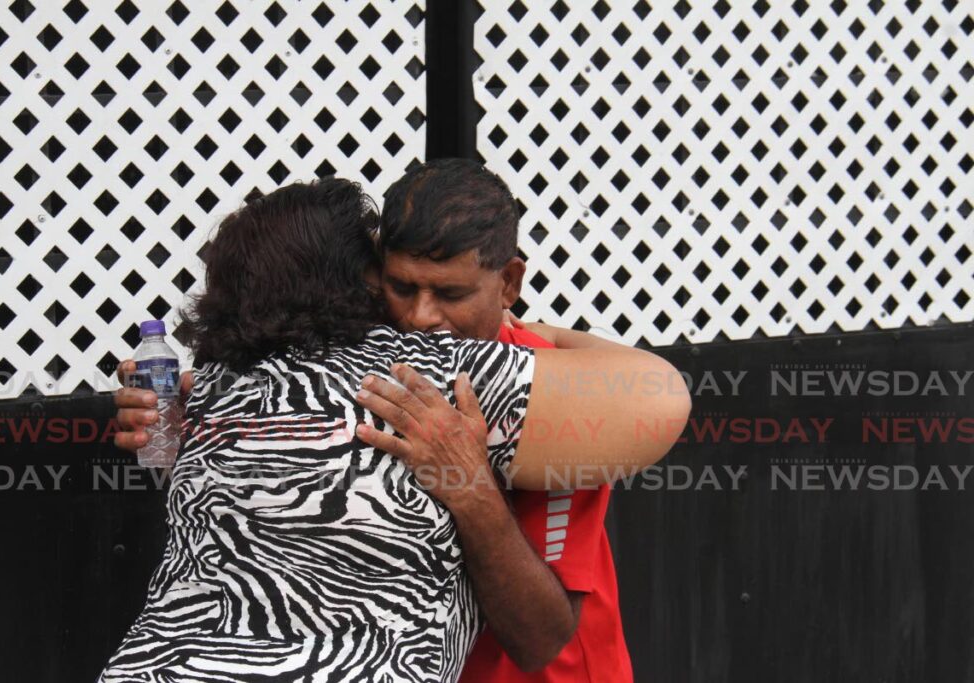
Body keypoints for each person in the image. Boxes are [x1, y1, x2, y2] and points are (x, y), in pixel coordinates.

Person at [109, 171, 688, 682]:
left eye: (450, 294)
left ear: (508, 283)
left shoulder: (547, 392)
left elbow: (541, 640)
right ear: (366, 279)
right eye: (400, 287)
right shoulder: (253, 380)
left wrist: (468, 480)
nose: (420, 317)